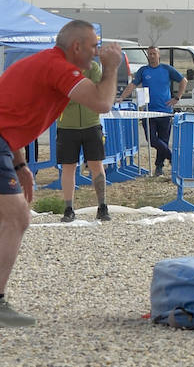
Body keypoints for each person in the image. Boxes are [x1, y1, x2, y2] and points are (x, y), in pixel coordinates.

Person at [0, 21, 122, 327]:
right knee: (17, 217)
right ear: (76, 47)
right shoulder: (57, 67)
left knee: (13, 217)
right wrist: (111, 67)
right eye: (94, 46)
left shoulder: (49, 65)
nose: (97, 51)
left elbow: (9, 113)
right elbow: (103, 102)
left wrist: (18, 164)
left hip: (4, 144)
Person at [56, 56, 110, 222]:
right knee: (68, 167)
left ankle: (102, 207)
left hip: (91, 123)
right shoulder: (60, 69)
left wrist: (73, 94)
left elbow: (96, 91)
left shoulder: (93, 66)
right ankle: (68, 208)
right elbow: (59, 95)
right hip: (67, 126)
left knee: (96, 164)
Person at [117, 45, 184, 178]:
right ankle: (173, 157)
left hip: (165, 111)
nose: (151, 56)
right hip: (148, 111)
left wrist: (177, 97)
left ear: (158, 55)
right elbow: (132, 85)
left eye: (154, 54)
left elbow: (183, 80)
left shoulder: (166, 69)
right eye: (149, 54)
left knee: (163, 140)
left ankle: (159, 167)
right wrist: (122, 97)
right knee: (152, 140)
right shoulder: (143, 71)